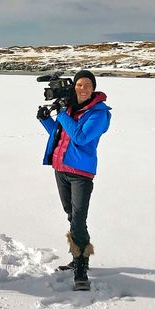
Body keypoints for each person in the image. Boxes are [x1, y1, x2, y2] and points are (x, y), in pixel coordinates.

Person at [37, 69, 112, 289]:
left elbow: (80, 137)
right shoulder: (69, 109)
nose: (83, 88)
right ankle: (77, 256)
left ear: (93, 88)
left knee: (78, 219)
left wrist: (61, 114)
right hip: (61, 169)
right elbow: (61, 134)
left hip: (81, 173)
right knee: (71, 215)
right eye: (79, 84)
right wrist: (45, 121)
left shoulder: (99, 114)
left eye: (87, 85)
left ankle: (81, 268)